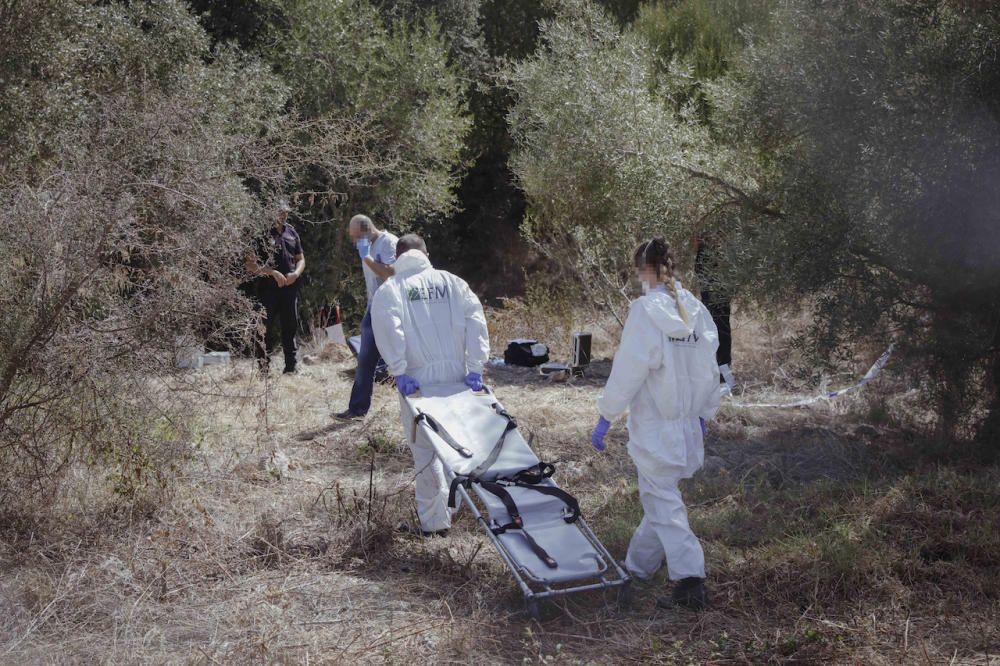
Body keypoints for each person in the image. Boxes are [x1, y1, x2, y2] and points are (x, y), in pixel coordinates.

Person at [591, 237, 721, 611]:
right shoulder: (696, 310)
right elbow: (710, 370)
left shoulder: (646, 311)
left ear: (644, 270)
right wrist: (703, 413)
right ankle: (637, 568)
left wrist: (606, 412)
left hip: (656, 427)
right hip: (685, 426)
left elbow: (629, 369)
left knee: (662, 500)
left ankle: (689, 580)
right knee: (659, 498)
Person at [371, 234, 489, 535]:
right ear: (426, 253)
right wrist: (475, 365)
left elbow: (388, 327)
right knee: (455, 443)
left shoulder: (391, 289)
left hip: (417, 381)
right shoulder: (452, 282)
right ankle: (454, 503)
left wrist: (398, 369)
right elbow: (476, 319)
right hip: (457, 377)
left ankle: (434, 523)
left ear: (397, 257)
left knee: (425, 452)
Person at [334, 214, 399, 420]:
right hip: (374, 309)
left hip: (392, 310)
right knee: (365, 360)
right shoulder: (367, 246)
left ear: (368, 230)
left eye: (356, 237)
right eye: (352, 238)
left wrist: (367, 258)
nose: (354, 242)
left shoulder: (389, 242)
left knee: (405, 360)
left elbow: (391, 273)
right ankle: (357, 410)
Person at [245, 197, 305, 374]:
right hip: (268, 289)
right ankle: (263, 369)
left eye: (286, 211)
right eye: (281, 211)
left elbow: (300, 258)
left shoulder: (292, 232)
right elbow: (250, 265)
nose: (284, 214)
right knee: (264, 328)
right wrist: (272, 272)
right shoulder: (260, 234)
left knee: (290, 327)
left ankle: (291, 368)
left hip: (290, 288)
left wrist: (296, 273)